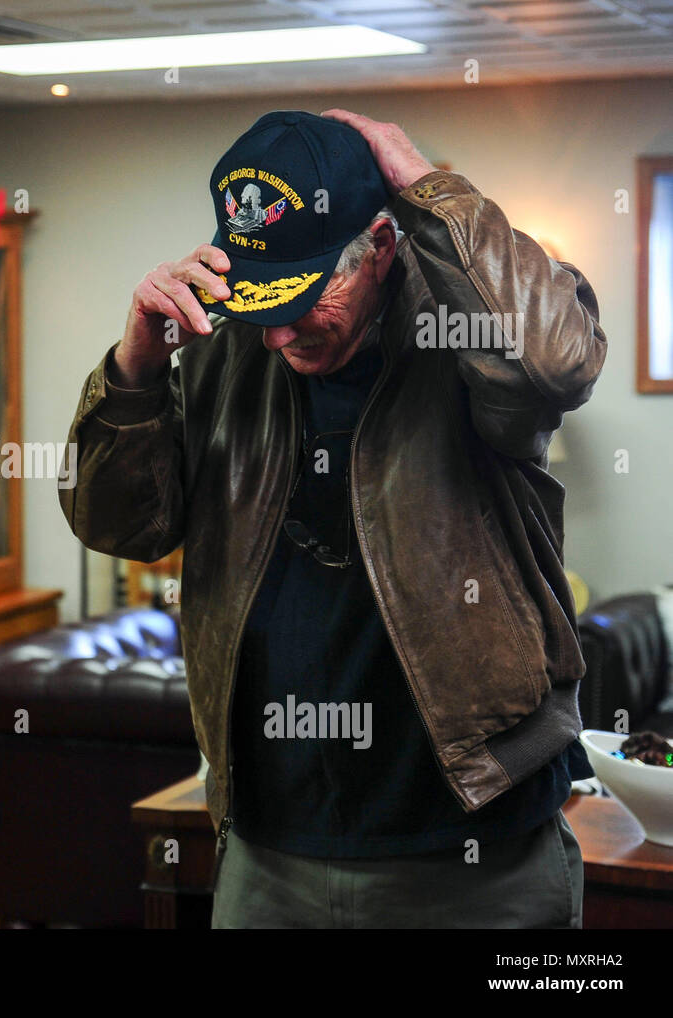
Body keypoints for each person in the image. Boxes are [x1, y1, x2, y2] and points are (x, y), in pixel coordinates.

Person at [59, 109, 606, 928]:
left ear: (381, 247)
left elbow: (558, 362)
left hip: (474, 848)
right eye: (261, 300)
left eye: (310, 297)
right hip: (272, 849)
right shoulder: (221, 344)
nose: (280, 334)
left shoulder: (461, 335)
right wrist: (135, 365)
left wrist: (430, 186)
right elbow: (117, 526)